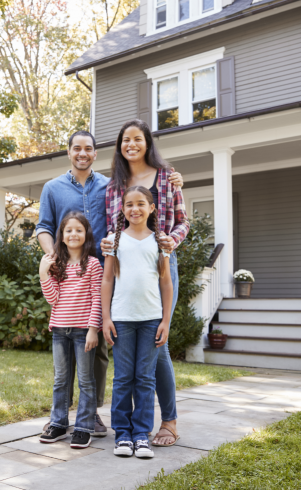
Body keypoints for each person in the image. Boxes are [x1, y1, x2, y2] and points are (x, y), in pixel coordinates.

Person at [36, 130, 183, 435]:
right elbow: (46, 227)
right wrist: (56, 260)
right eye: (76, 148)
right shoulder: (84, 186)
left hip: (137, 265)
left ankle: (160, 420)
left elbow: (175, 218)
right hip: (92, 273)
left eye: (88, 148)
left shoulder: (139, 181)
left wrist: (169, 239)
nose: (82, 153)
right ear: (68, 151)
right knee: (97, 341)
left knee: (145, 343)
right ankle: (79, 416)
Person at [101, 119, 189, 447]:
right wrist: (107, 245)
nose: (132, 145)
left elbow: (183, 222)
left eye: (138, 139)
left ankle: (169, 422)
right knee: (129, 364)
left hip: (161, 261)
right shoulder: (114, 185)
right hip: (124, 266)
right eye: (126, 140)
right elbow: (111, 229)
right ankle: (130, 428)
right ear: (120, 146)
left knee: (159, 342)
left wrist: (170, 241)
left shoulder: (167, 176)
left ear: (147, 142)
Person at [102, 186, 173, 458]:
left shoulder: (160, 242)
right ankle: (122, 434)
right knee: (123, 378)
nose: (135, 209)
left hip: (151, 320)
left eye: (141, 203)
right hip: (121, 319)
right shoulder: (114, 241)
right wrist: (106, 318)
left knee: (144, 378)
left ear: (152, 208)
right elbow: (107, 280)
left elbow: (165, 282)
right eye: (129, 204)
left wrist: (166, 320)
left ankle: (142, 434)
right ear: (122, 209)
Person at [39, 212, 103, 449]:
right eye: (69, 230)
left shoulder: (94, 264)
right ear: (62, 236)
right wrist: (43, 273)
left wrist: (92, 329)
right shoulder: (57, 265)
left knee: (86, 380)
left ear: (86, 234)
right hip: (59, 330)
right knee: (60, 380)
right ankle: (58, 423)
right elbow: (53, 299)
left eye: (78, 230)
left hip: (82, 331)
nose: (73, 234)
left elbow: (97, 298)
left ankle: (84, 427)